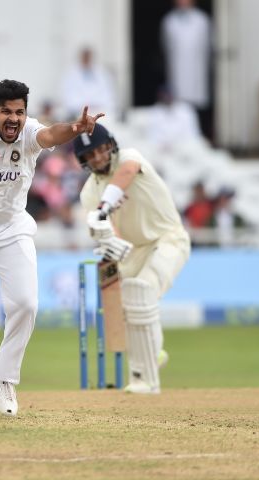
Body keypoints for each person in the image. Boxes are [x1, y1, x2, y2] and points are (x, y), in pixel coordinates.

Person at [0, 79, 103, 420]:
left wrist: (76, 128)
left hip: (11, 225)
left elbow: (50, 135)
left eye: (19, 112)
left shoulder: (29, 132)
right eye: (6, 111)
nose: (14, 119)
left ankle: (3, 379)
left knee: (26, 304)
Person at [75, 123, 190, 394]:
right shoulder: (88, 192)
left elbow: (125, 174)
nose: (96, 158)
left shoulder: (130, 157)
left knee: (143, 290)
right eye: (88, 156)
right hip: (133, 250)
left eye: (99, 150)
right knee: (124, 308)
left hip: (168, 239)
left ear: (110, 146)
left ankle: (145, 379)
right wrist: (108, 240)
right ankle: (155, 354)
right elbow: (106, 228)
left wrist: (104, 207)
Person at [161, 0, 213, 140]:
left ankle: (200, 136)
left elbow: (208, 46)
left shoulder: (202, 20)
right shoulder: (169, 21)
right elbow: (166, 46)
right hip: (177, 69)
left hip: (197, 69)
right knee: (178, 105)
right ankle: (180, 137)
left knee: (197, 104)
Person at [61, 47, 117, 121]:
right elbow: (68, 97)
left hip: (100, 111)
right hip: (79, 112)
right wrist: (85, 106)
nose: (86, 58)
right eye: (85, 56)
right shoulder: (71, 74)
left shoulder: (102, 73)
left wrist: (97, 105)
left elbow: (109, 95)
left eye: (88, 56)